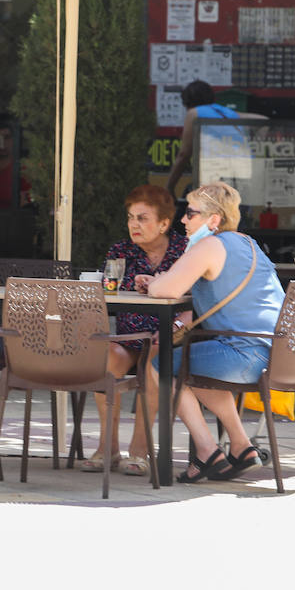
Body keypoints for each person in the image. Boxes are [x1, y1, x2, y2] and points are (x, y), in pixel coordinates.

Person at [147, 182, 284, 482]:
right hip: (277, 356)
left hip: (244, 355)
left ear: (214, 220)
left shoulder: (210, 245)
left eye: (191, 213)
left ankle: (208, 450)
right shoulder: (248, 243)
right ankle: (241, 446)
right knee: (193, 364)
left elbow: (166, 289)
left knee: (163, 364)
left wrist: (155, 282)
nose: (183, 219)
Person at [83, 185, 188, 477]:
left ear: (165, 223)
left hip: (168, 334)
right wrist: (135, 286)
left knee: (153, 359)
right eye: (131, 217)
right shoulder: (121, 250)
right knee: (109, 359)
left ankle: (140, 450)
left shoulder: (184, 249)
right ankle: (108, 448)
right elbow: (109, 290)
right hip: (129, 335)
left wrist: (159, 283)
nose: (134, 224)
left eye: (142, 218)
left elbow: (194, 294)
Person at [164, 80, 264, 196]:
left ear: (187, 101)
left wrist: (169, 186)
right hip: (245, 174)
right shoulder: (227, 113)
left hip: (216, 174)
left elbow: (184, 154)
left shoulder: (194, 113)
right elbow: (263, 121)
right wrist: (256, 145)